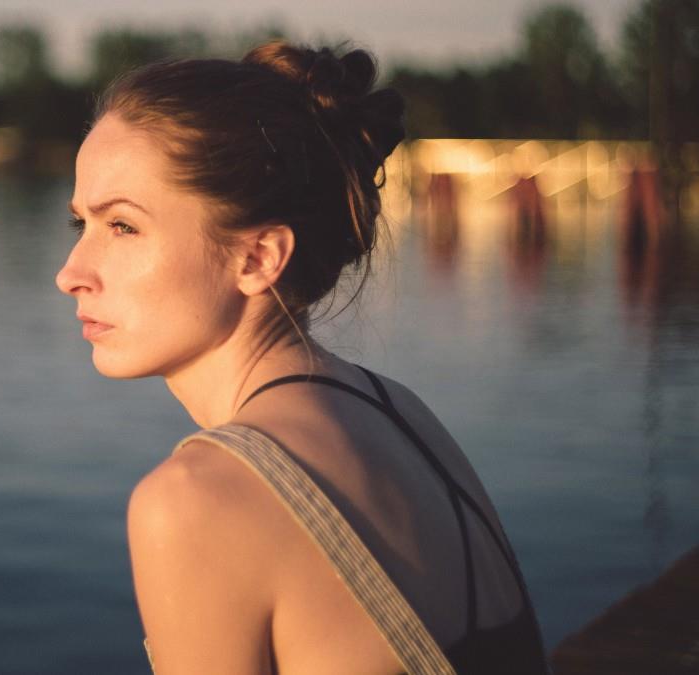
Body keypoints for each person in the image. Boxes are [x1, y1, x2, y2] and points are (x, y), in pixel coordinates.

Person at [55, 40, 549, 675]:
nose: (71, 273)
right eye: (81, 226)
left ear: (259, 257)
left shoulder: (194, 502)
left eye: (121, 226)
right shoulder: (399, 412)